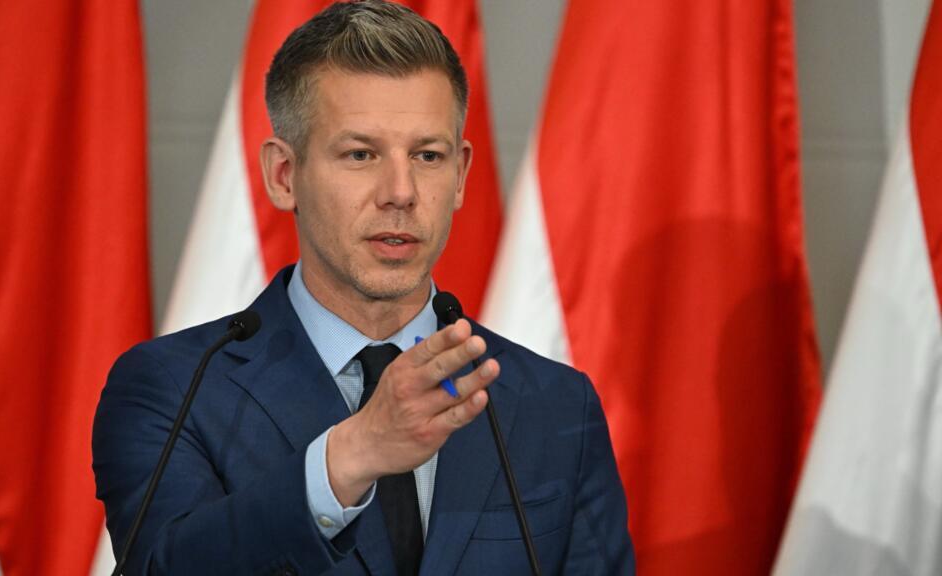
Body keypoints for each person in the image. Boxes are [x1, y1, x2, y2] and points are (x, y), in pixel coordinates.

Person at [92, 1, 634, 574]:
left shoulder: (553, 403)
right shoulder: (174, 390)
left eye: (427, 155)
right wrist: (350, 458)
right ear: (283, 175)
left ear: (460, 176)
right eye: (360, 154)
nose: (401, 191)